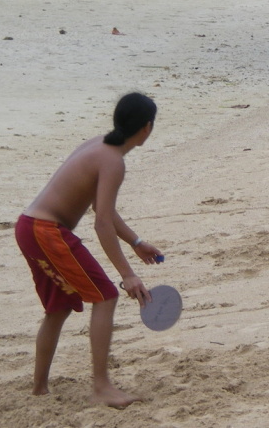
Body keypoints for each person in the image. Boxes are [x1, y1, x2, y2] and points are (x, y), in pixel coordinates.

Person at [15, 92, 163, 407]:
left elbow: (100, 208)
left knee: (59, 308)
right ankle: (101, 387)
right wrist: (128, 275)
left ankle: (40, 389)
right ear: (147, 128)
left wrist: (135, 242)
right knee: (106, 296)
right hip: (46, 232)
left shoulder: (100, 145)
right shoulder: (113, 161)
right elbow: (102, 225)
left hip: (29, 226)